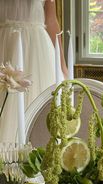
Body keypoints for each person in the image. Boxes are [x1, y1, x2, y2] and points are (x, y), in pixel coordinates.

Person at [0, 0, 67, 142]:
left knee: (38, 104)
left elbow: (51, 20)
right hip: (3, 45)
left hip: (37, 51)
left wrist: (62, 64)